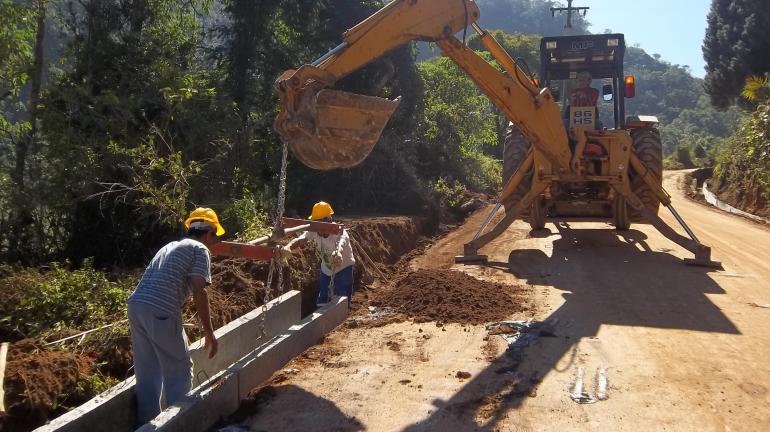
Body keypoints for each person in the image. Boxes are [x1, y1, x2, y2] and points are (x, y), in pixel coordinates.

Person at [127, 207, 222, 425]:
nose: (213, 243)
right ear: (208, 233)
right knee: (179, 371)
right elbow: (200, 289)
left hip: (137, 307)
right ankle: (178, 425)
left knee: (148, 372)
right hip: (160, 310)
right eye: (214, 237)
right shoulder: (200, 249)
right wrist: (209, 332)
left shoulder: (169, 246)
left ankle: (147, 425)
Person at [282, 201, 355, 307]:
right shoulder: (315, 229)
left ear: (328, 220)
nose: (317, 229)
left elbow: (341, 242)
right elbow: (301, 239)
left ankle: (343, 317)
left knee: (342, 297)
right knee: (323, 297)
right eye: (315, 223)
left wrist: (338, 252)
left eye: (319, 223)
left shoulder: (339, 231)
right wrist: (288, 247)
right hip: (326, 269)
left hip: (344, 268)